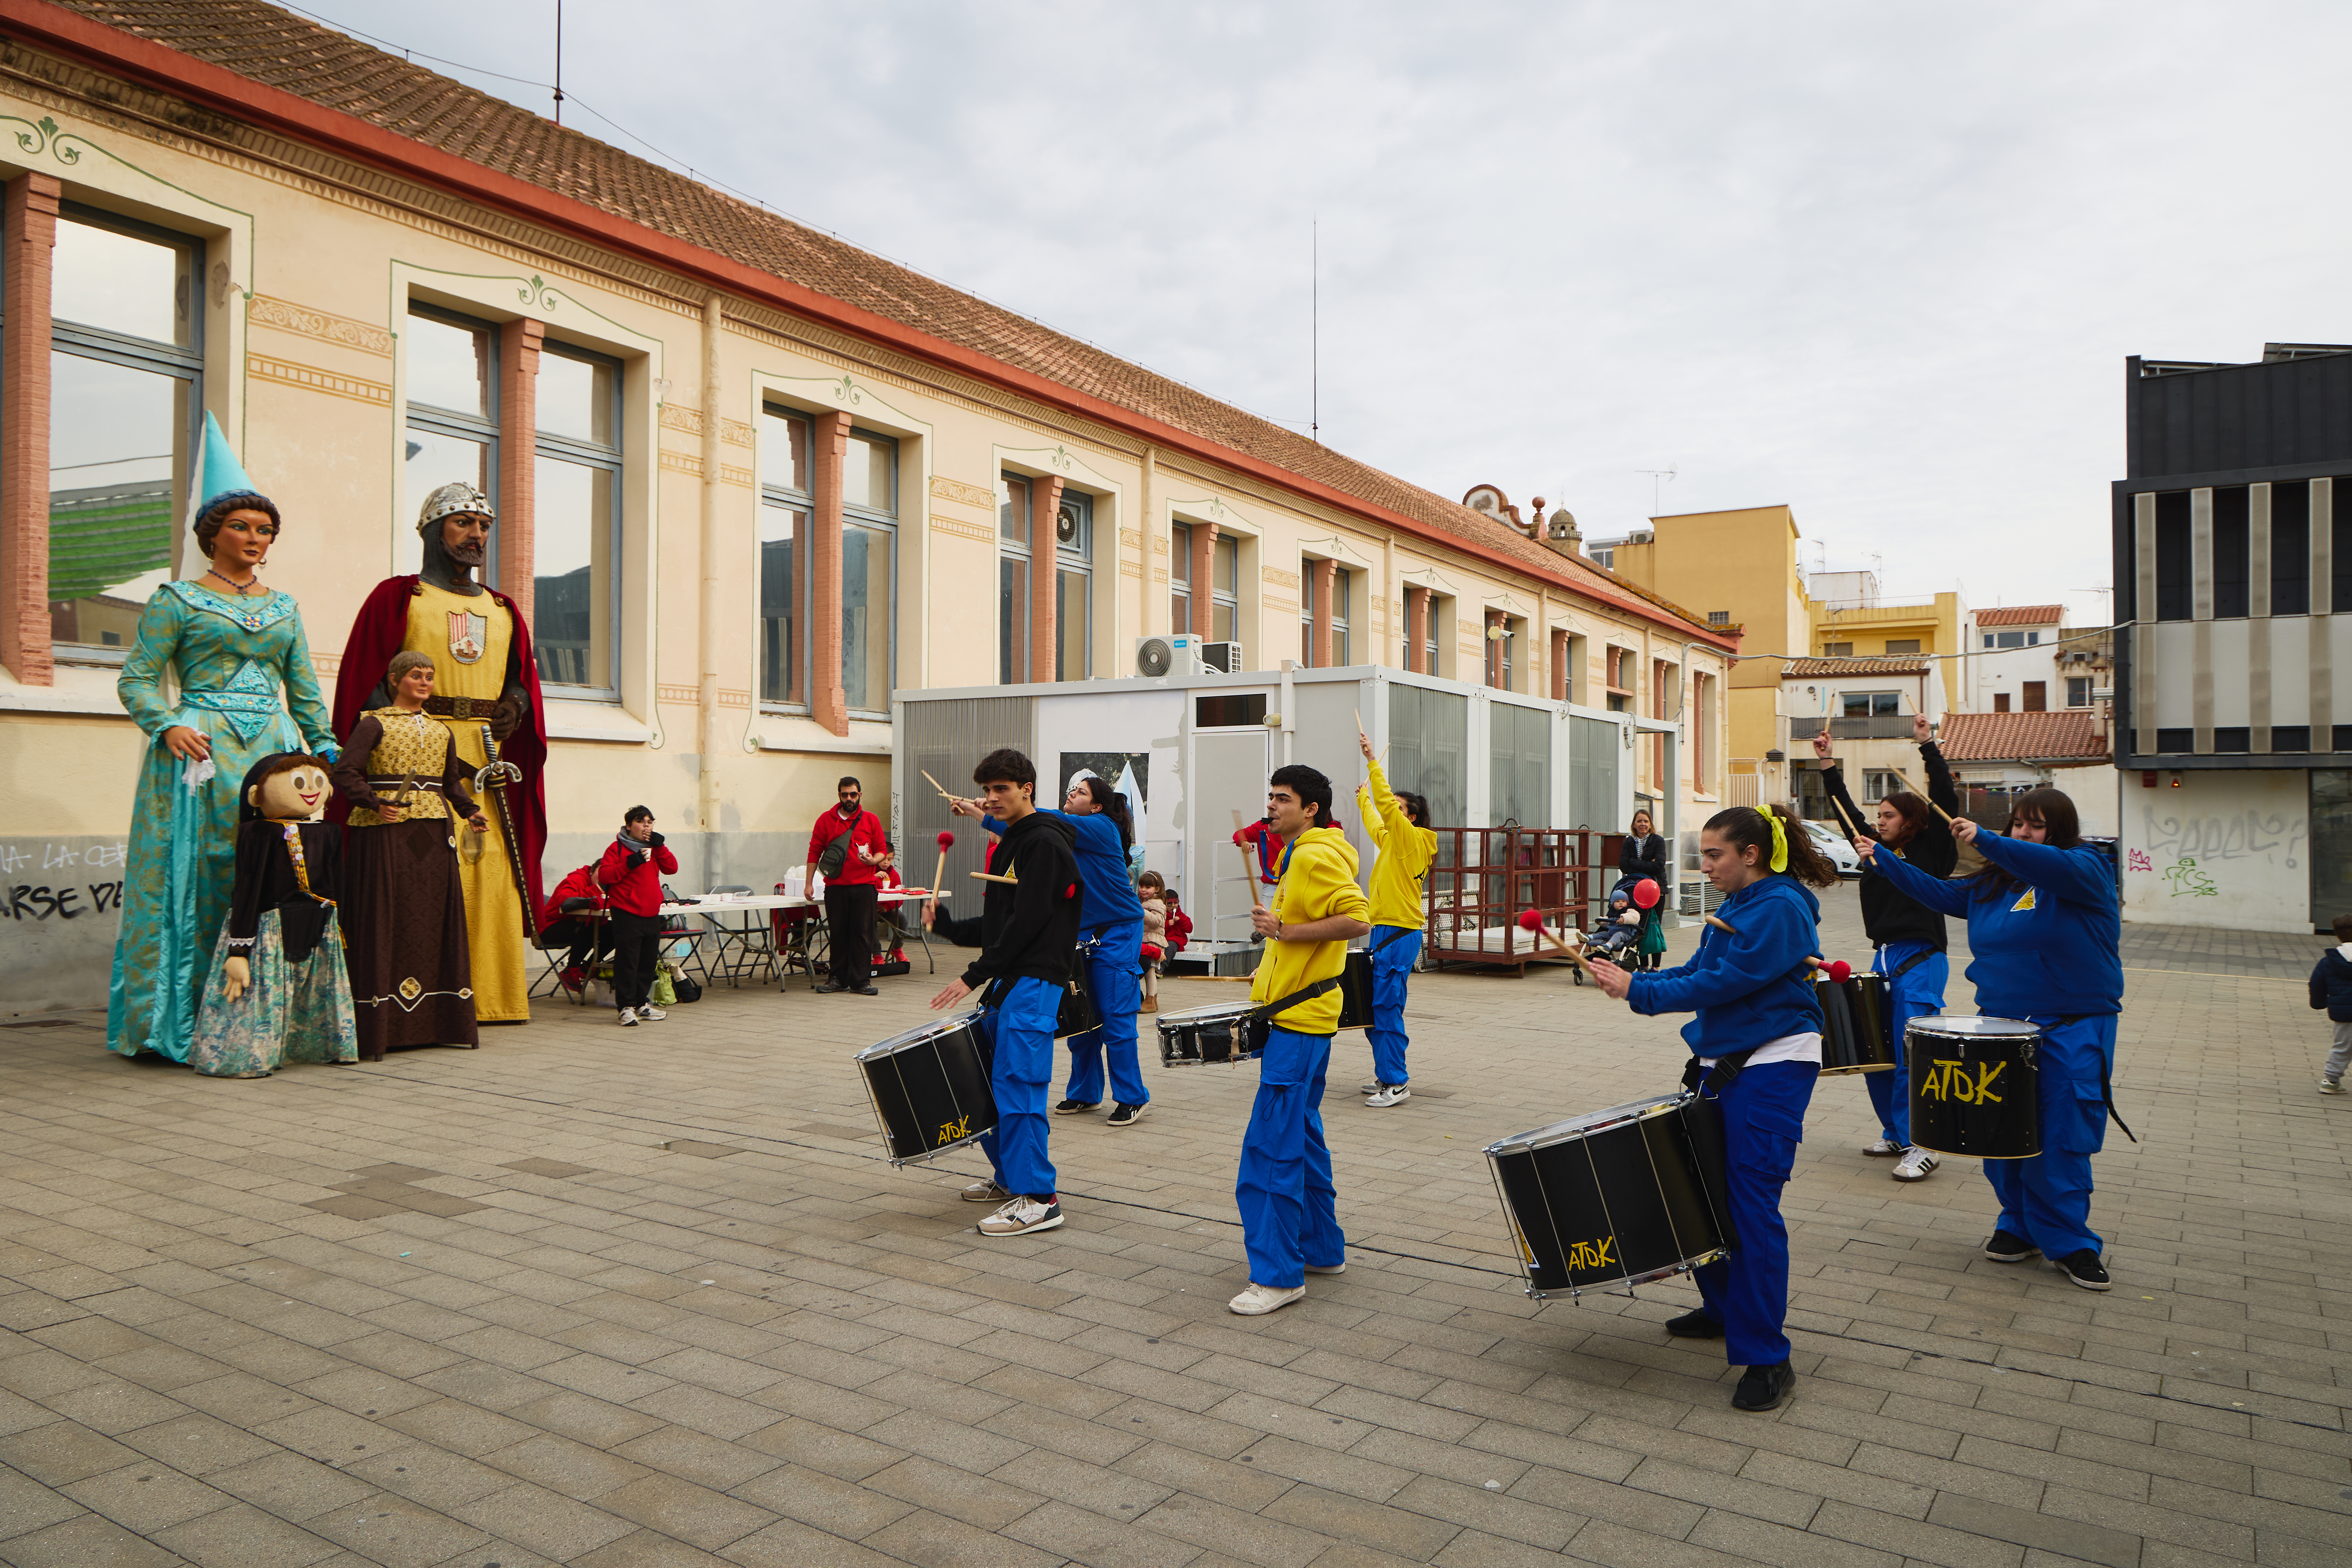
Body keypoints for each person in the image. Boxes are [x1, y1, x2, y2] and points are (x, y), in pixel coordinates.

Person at [1589, 804, 1841, 1412]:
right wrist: (1629, 974)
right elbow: (1701, 969)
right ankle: (1725, 1308)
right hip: (1726, 1059)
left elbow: (1729, 983)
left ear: (1749, 854)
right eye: (1702, 854)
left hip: (1776, 1060)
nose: (1705, 866)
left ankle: (1766, 1356)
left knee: (1751, 1205)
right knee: (1699, 1192)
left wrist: (1641, 991)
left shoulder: (1780, 906)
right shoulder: (1736, 906)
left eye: (1714, 855)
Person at [109, 415, 342, 1064]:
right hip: (201, 752)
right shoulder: (176, 601)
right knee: (204, 874)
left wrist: (323, 745)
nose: (254, 538)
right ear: (212, 534)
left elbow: (302, 689)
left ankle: (265, 1021)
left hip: (271, 753)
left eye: (264, 529)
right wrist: (168, 724)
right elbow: (137, 681)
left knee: (268, 875)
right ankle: (177, 1021)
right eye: (241, 526)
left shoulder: (285, 608)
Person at [1857, 788, 2125, 1291]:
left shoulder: (2084, 869)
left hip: (2071, 1026)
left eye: (2037, 826)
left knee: (2061, 1139)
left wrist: (1986, 839)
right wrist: (1883, 861)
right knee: (2001, 1134)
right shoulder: (1994, 883)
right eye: (2017, 824)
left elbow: (2040, 861)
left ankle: (2072, 1243)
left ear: (2060, 830)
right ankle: (2017, 1226)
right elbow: (1939, 893)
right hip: (2002, 1028)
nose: (2023, 834)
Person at [334, 482, 549, 1026]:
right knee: (420, 868)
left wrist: (516, 706)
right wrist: (422, 742)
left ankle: (492, 996)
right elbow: (369, 683)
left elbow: (521, 678)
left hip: (489, 757)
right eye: (463, 524)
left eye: (483, 526)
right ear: (432, 530)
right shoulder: (399, 597)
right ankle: (418, 998)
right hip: (418, 759)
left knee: (490, 867)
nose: (476, 535)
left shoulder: (503, 609)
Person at [1231, 765, 1372, 1316]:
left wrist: (1283, 932)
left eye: (1283, 799)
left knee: (1269, 1153)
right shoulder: (1301, 854)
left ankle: (1277, 1275)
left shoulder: (1314, 854)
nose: (1272, 807)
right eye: (1269, 797)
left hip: (1299, 1025)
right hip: (1302, 1017)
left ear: (1311, 809)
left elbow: (1357, 919)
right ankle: (1320, 1249)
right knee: (1304, 1139)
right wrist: (1274, 956)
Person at [925, 749, 1082, 1237]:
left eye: (1001, 790)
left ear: (1027, 790)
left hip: (1035, 984)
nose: (990, 799)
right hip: (1011, 984)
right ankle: (1010, 1178)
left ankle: (1039, 1198)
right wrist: (950, 927)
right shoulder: (1015, 842)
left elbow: (1031, 922)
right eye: (987, 790)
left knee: (1020, 1089)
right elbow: (1002, 926)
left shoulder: (1044, 845)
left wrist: (972, 976)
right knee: (991, 1088)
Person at [1813, 716, 1959, 1182]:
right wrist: (1827, 763)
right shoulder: (1873, 850)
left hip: (1921, 958)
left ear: (1911, 821)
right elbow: (1847, 814)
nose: (1878, 823)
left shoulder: (1933, 851)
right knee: (1875, 1054)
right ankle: (1896, 1132)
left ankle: (1925, 1144)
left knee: (1912, 1054)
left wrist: (1927, 746)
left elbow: (1945, 801)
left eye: (1888, 816)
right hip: (1882, 957)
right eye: (1877, 818)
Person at [964, 773, 1149, 1125]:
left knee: (1115, 1017)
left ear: (1096, 805)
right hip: (1078, 933)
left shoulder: (1101, 826)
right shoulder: (1057, 833)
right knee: (1079, 1015)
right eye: (1071, 790)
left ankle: (1131, 1096)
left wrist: (1005, 807)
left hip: (1118, 931)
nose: (1071, 795)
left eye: (1079, 792)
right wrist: (982, 814)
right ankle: (1085, 1092)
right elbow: (1023, 830)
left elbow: (1046, 819)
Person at [333, 652, 490, 1058]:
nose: (424, 682)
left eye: (430, 677)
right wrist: (373, 802)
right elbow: (345, 771)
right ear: (395, 679)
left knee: (433, 916)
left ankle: (438, 1021)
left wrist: (470, 811)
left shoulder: (441, 731)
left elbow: (451, 783)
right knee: (388, 913)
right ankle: (380, 1024)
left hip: (434, 833)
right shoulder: (374, 722)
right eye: (416, 675)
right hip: (386, 832)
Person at [187, 753, 358, 1078]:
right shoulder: (258, 833)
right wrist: (239, 950)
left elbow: (338, 883)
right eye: (299, 782)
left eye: (318, 782)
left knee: (308, 988)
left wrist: (337, 930)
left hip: (318, 923)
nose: (310, 790)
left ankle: (308, 1046)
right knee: (261, 993)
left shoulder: (329, 831)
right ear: (256, 796)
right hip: (268, 927)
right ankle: (251, 1055)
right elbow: (247, 890)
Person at [1354, 731, 1436, 1107]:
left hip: (1399, 933)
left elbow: (1386, 808)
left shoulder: (1415, 841)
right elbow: (1377, 819)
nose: (1392, 814)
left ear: (1412, 818)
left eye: (1400, 811)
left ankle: (1396, 1083)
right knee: (1375, 1008)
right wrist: (1362, 798)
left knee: (1386, 1008)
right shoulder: (1393, 841)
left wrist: (1373, 763)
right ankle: (1386, 1074)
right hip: (1384, 930)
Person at [808, 776, 890, 995]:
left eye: (853, 794)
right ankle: (837, 979)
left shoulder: (871, 820)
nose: (849, 798)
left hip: (865, 887)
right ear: (839, 795)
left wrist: (874, 860)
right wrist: (809, 884)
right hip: (836, 887)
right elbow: (814, 851)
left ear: (860, 795)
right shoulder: (825, 820)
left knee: (863, 934)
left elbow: (882, 848)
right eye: (845, 794)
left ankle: (861, 982)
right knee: (839, 934)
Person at [597, 807, 678, 1026]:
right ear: (629, 825)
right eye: (641, 822)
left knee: (647, 961)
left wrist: (661, 847)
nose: (647, 826)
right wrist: (629, 864)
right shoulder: (617, 848)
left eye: (650, 822)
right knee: (628, 961)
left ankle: (642, 1003)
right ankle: (625, 1007)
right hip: (626, 911)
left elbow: (672, 868)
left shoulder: (654, 847)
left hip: (651, 911)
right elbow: (604, 876)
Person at [1619, 810, 1670, 971]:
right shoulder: (1629, 842)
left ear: (1651, 824)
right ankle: (1643, 965)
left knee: (1654, 927)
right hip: (1635, 890)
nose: (1643, 824)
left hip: (1656, 890)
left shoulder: (1658, 841)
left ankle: (1655, 967)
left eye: (1646, 821)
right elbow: (1623, 866)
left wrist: (1635, 862)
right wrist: (1645, 863)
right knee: (1638, 925)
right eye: (1639, 821)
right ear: (1634, 824)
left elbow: (1659, 865)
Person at [2310, 913, 2352, 1095]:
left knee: (2342, 1046)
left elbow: (2316, 984)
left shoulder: (2328, 962)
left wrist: (2319, 1003)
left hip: (2344, 1015)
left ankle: (2331, 1080)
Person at [1139, 871, 1170, 1014]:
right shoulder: (1144, 902)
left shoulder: (1157, 903)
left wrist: (1141, 912)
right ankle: (1153, 1000)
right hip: (1147, 939)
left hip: (1153, 941)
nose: (1143, 890)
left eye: (1148, 887)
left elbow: (1158, 921)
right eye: (1142, 886)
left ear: (1157, 889)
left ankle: (1150, 1000)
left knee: (1150, 972)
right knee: (1149, 971)